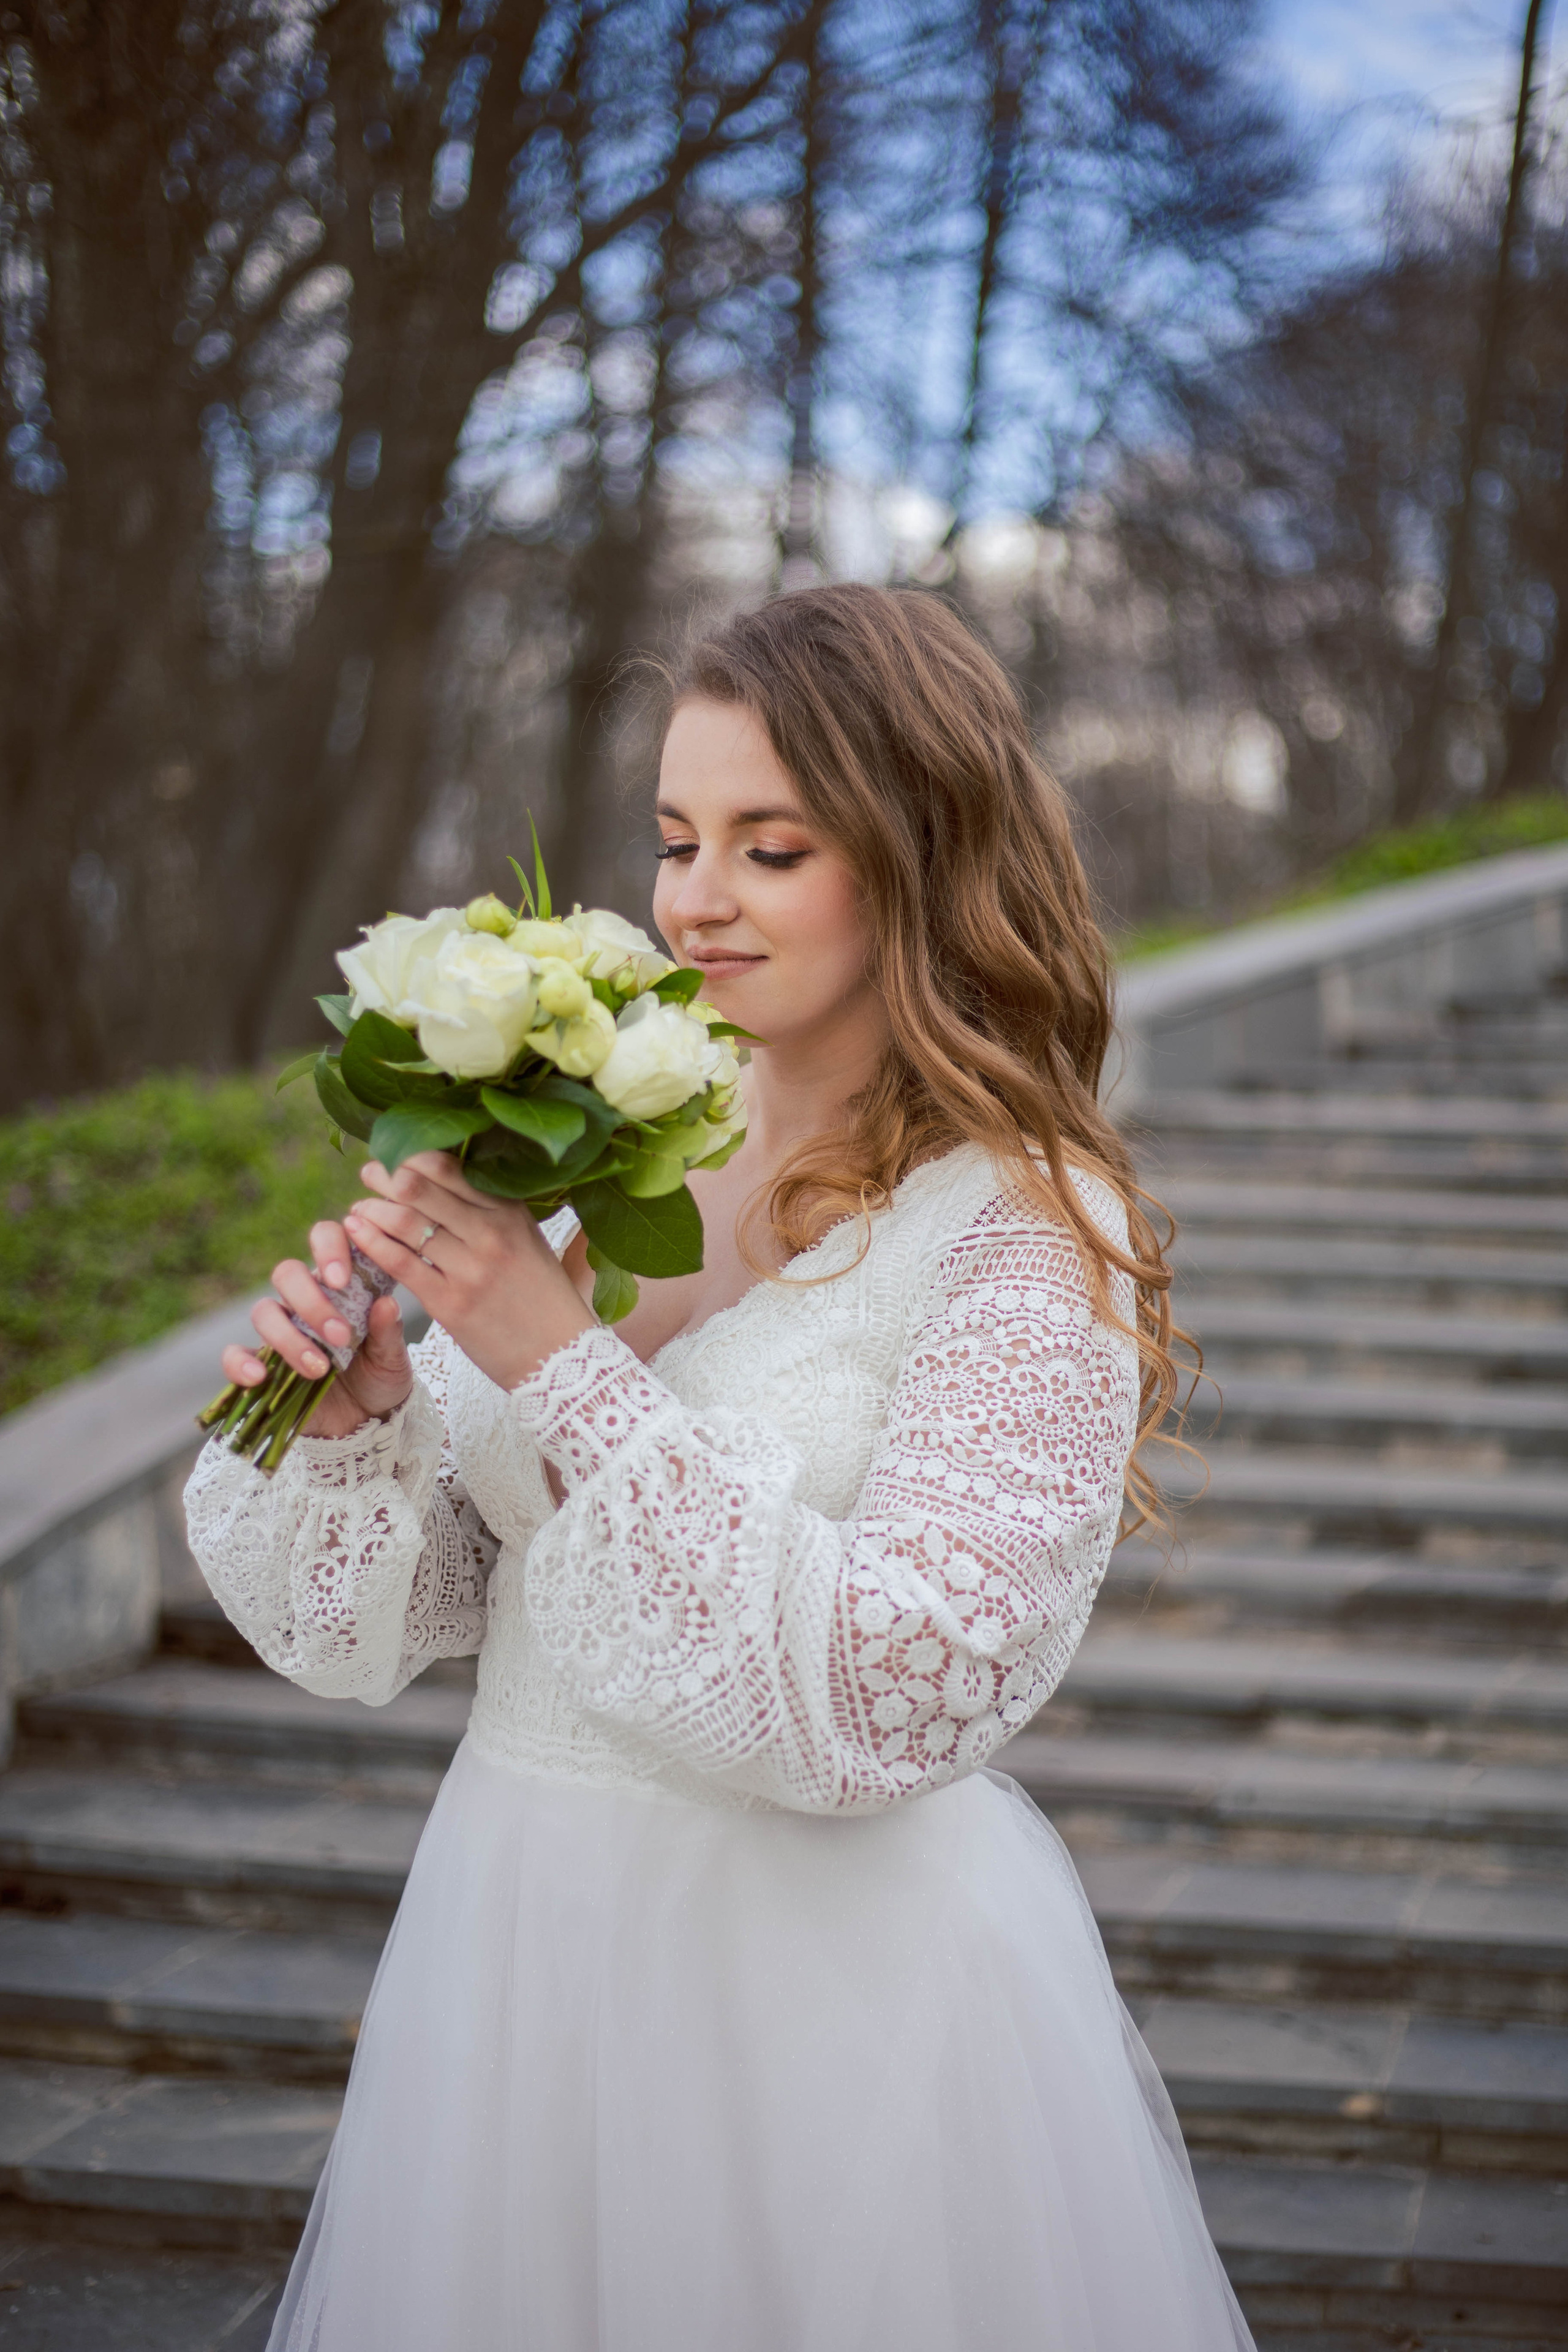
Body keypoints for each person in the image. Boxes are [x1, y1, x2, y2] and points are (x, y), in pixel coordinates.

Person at [187, 583, 1253, 2352]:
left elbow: (901, 1690)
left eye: (774, 846)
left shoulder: (1026, 1229)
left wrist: (557, 1360)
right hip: (519, 1941)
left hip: (830, 1999)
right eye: (680, 836)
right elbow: (438, 1603)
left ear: (915, 858)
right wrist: (373, 1419)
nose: (694, 896)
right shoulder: (609, 1154)